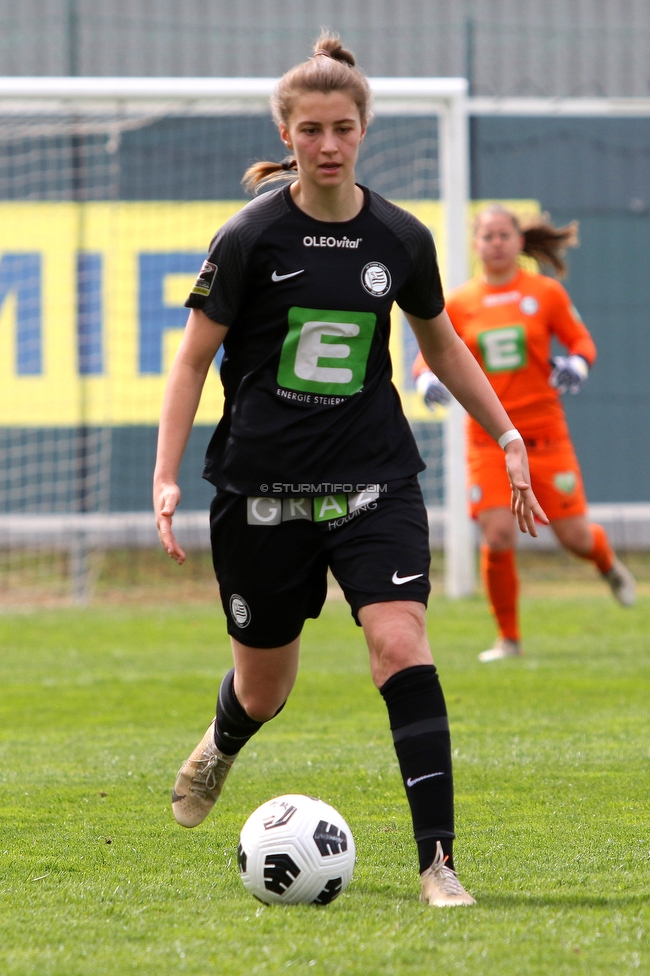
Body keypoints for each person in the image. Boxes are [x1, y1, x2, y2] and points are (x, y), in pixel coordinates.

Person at [153, 34, 545, 907]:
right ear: (286, 134)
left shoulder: (399, 238)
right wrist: (167, 473)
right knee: (265, 689)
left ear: (364, 130)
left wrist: (508, 432)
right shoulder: (250, 236)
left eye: (344, 128)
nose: (329, 144)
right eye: (311, 129)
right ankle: (222, 740)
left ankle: (438, 862)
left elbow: (440, 346)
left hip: (374, 483)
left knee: (399, 643)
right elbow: (189, 364)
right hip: (261, 494)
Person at [414, 205, 636, 663]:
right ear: (475, 245)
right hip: (488, 438)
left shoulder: (545, 293)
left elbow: (581, 341)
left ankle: (607, 564)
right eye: (487, 236)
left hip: (544, 435)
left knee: (574, 537)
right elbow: (429, 353)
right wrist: (424, 379)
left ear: (519, 241)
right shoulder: (458, 302)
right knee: (497, 533)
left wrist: (577, 364)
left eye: (503, 234)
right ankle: (508, 640)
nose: (495, 242)